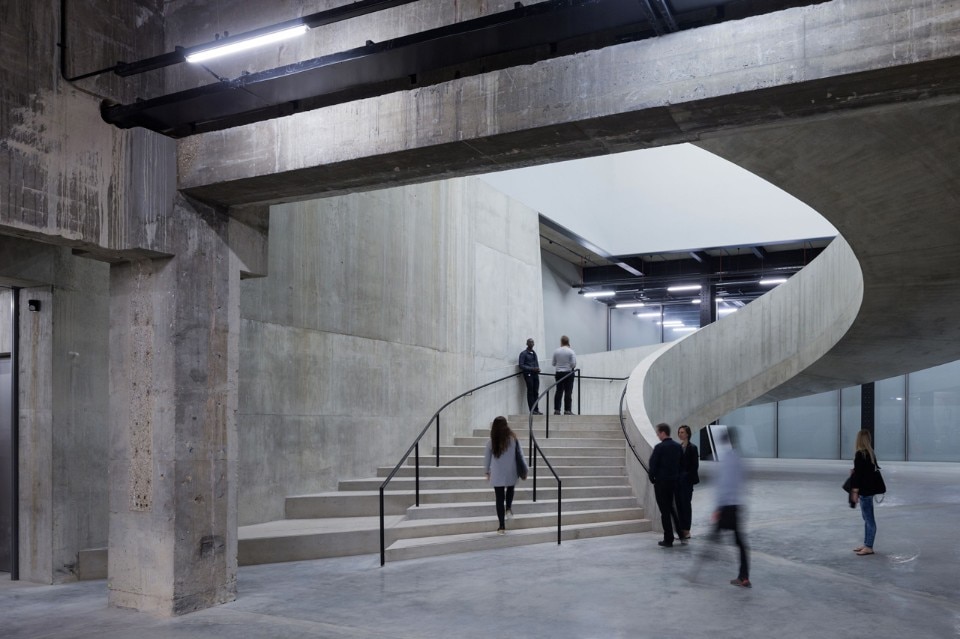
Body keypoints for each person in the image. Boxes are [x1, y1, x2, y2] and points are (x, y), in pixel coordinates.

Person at [710, 427, 751, 587]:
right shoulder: (739, 459)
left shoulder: (725, 460)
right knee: (740, 542)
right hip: (736, 505)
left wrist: (718, 508)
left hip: (726, 506)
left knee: (713, 539)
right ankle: (744, 576)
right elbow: (742, 482)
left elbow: (723, 485)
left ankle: (697, 573)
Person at [484, 416, 528, 534]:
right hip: (511, 471)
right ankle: (508, 507)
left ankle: (501, 526)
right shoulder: (513, 439)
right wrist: (525, 469)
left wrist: (487, 471)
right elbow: (520, 455)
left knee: (499, 498)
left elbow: (487, 458)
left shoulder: (491, 442)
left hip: (497, 473)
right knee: (510, 489)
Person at [648, 423, 682, 547]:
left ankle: (668, 538)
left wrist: (652, 478)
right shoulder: (677, 447)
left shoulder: (659, 447)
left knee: (665, 511)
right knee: (672, 508)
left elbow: (653, 465)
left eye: (658, 433)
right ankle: (681, 533)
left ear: (663, 433)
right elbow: (681, 464)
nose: (657, 435)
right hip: (673, 482)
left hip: (661, 483)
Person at [850, 429, 879, 556]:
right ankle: (867, 543)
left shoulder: (860, 454)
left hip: (864, 491)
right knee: (866, 518)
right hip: (869, 490)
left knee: (869, 519)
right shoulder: (870, 453)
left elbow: (858, 476)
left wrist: (855, 491)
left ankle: (869, 546)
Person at [676, 424, 700, 542]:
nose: (680, 434)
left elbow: (694, 466)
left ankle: (686, 530)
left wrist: (685, 477)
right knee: (679, 505)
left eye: (682, 432)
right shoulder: (679, 447)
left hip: (687, 482)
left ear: (687, 434)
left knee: (686, 505)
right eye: (679, 432)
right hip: (678, 482)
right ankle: (681, 529)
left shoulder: (692, 448)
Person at [551, 335, 577, 415]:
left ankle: (557, 410)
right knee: (568, 392)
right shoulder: (571, 351)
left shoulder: (556, 351)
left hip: (558, 373)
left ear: (561, 342)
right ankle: (567, 410)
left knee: (559, 391)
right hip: (568, 373)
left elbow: (553, 363)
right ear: (568, 342)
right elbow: (573, 364)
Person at [518, 338, 542, 415]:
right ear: (527, 343)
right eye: (530, 342)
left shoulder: (534, 353)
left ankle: (536, 409)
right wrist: (532, 369)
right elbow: (521, 365)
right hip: (528, 375)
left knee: (536, 392)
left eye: (533, 342)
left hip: (535, 375)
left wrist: (537, 369)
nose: (532, 343)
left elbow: (536, 363)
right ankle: (532, 410)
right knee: (530, 392)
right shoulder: (523, 353)